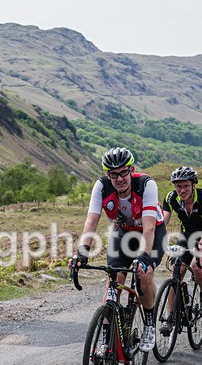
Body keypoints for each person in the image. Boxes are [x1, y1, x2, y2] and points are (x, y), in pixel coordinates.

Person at [70, 147, 165, 353]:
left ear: (132, 170)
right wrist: (82, 251)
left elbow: (149, 227)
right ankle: (106, 339)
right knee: (113, 279)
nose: (120, 178)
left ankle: (149, 324)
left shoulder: (146, 185)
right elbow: (91, 220)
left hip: (151, 233)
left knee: (144, 275)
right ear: (107, 175)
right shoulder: (102, 186)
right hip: (123, 233)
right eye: (114, 174)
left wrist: (144, 257)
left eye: (124, 172)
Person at [162, 166, 202, 318]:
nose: (182, 190)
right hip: (186, 236)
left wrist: (201, 245)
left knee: (197, 265)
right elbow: (162, 223)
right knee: (175, 270)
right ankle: (171, 316)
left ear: (193, 185)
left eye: (186, 186)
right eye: (179, 186)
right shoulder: (171, 198)